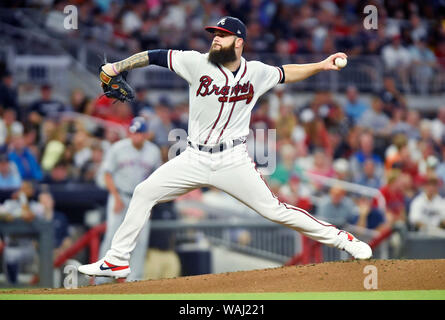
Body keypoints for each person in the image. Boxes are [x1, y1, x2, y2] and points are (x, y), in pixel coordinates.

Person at [79, 16, 372, 279]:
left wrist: (321, 65)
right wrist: (118, 66)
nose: (215, 39)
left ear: (239, 41)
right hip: (193, 157)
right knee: (144, 192)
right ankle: (117, 259)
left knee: (275, 210)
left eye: (222, 34)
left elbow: (286, 72)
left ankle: (343, 240)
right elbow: (155, 56)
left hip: (232, 159)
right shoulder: (196, 62)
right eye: (213, 34)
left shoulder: (255, 72)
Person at [95, 116, 162, 281]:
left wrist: (151, 203)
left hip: (141, 200)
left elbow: (157, 179)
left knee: (140, 240)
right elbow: (107, 174)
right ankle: (101, 279)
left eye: (139, 133)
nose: (136, 136)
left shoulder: (153, 151)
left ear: (146, 134)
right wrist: (116, 197)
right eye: (133, 133)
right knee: (112, 236)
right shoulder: (118, 148)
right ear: (129, 133)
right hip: (120, 195)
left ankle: (134, 280)